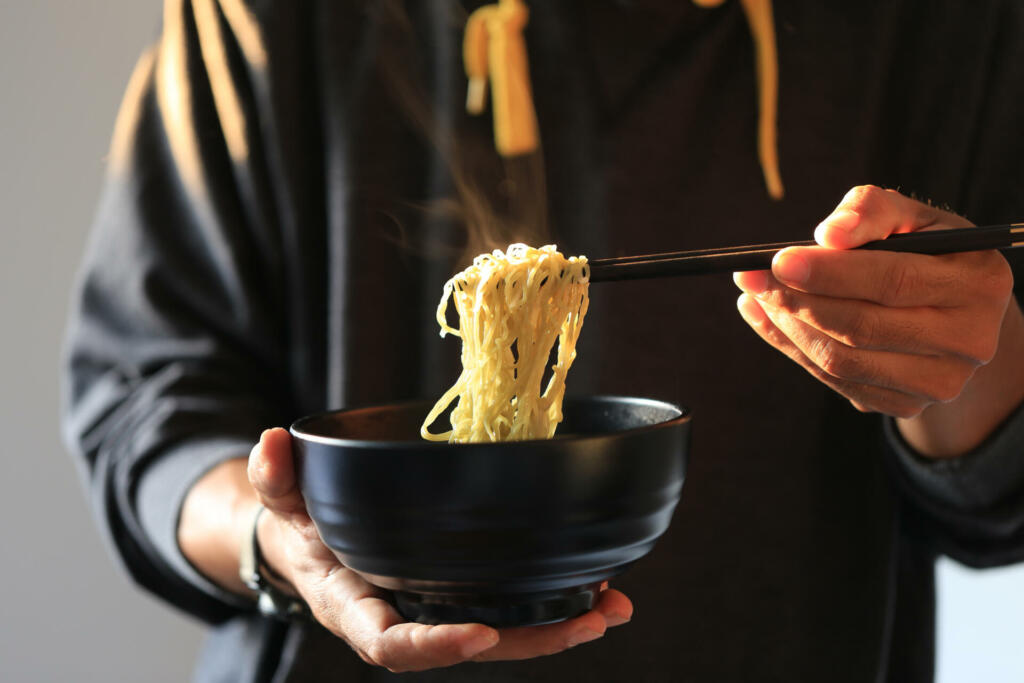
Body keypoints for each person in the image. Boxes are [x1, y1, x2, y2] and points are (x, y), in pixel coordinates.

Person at [62, 1, 1024, 681]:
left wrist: (955, 360)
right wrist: (275, 539)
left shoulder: (940, 22)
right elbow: (145, 398)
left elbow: (997, 496)